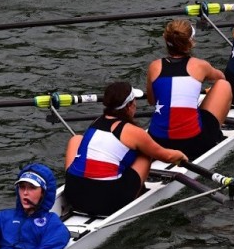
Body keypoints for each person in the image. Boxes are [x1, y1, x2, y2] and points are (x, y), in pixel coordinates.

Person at [64, 81, 188, 216]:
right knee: (145, 154)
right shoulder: (133, 132)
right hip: (107, 202)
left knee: (76, 139)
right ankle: (138, 192)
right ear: (129, 106)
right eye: (134, 101)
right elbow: (167, 156)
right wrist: (181, 156)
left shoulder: (96, 122)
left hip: (73, 195)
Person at [145, 19, 232, 160]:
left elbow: (152, 101)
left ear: (165, 38)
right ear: (190, 42)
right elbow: (221, 78)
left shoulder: (154, 66)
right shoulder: (200, 65)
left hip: (157, 142)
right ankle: (215, 135)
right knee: (224, 86)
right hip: (192, 143)